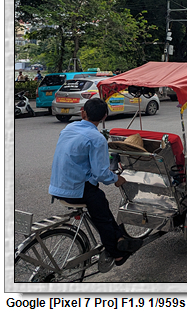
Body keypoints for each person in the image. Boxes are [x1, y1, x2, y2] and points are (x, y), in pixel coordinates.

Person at [48, 98, 142, 266]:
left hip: (57, 185)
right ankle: (117, 254)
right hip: (75, 190)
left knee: (101, 204)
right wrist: (116, 179)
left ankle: (120, 238)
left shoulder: (69, 128)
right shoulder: (96, 138)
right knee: (101, 211)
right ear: (104, 116)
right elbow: (101, 174)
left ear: (83, 112)